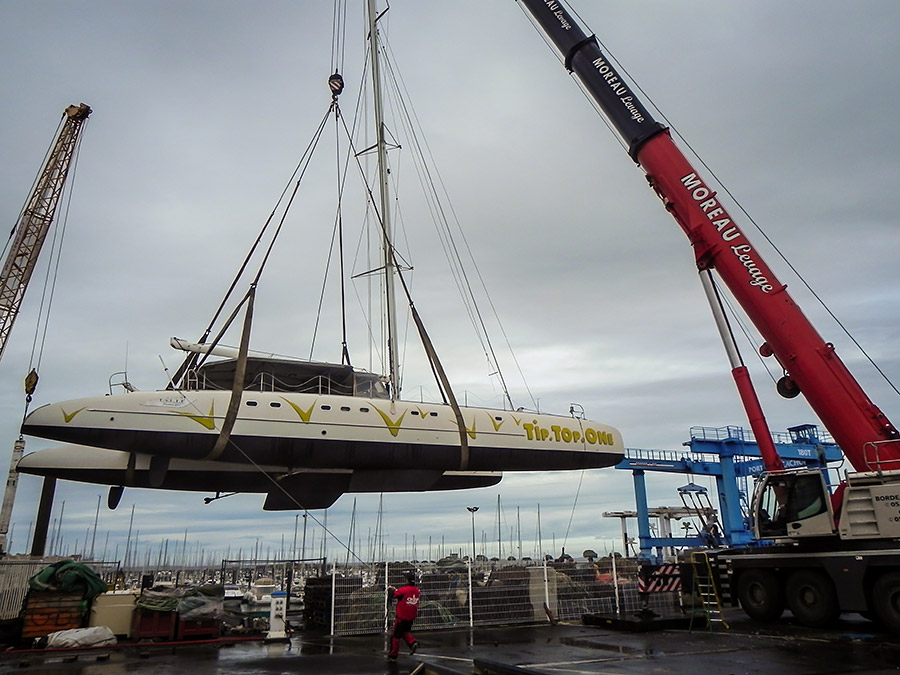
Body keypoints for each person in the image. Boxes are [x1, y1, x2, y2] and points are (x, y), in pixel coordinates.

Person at [386, 571, 420, 661]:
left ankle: (393, 655)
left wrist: (391, 590)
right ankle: (412, 642)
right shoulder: (416, 591)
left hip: (402, 617)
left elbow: (394, 595)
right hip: (411, 617)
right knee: (404, 632)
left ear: (407, 581)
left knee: (395, 636)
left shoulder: (404, 590)